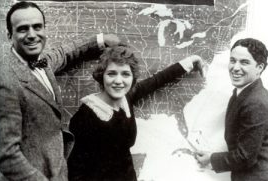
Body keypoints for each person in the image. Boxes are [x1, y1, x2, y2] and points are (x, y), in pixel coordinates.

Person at [0, 1, 121, 181]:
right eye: (22, 29)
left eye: (37, 27)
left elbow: (65, 53)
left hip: (56, 170)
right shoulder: (7, 83)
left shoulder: (42, 62)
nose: (32, 35)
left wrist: (99, 40)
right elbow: (7, 158)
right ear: (9, 35)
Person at [67, 45, 205, 181]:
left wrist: (189, 62)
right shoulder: (85, 116)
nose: (118, 81)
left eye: (125, 74)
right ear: (101, 76)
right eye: (111, 73)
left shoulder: (126, 98)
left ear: (132, 78)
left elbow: (157, 80)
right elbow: (75, 171)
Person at [195, 38, 268, 181]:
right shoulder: (244, 92)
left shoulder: (256, 102)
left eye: (244, 62)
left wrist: (211, 160)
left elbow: (245, 158)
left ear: (260, 67)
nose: (235, 68)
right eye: (233, 60)